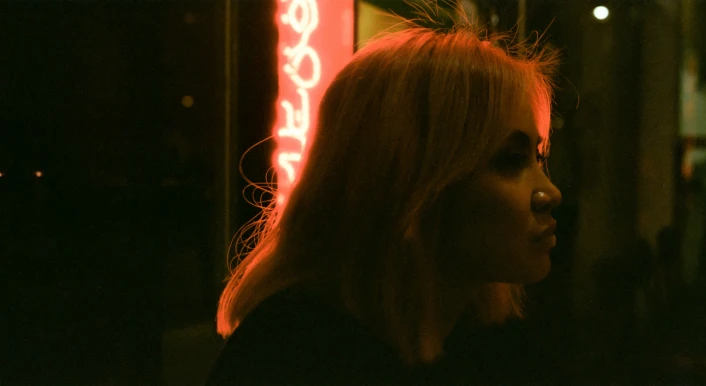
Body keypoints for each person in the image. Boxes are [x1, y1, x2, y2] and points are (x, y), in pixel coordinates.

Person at [206, 11, 562, 385]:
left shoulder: (488, 348)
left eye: (538, 158)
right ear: (412, 181)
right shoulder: (292, 353)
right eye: (510, 160)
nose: (550, 193)